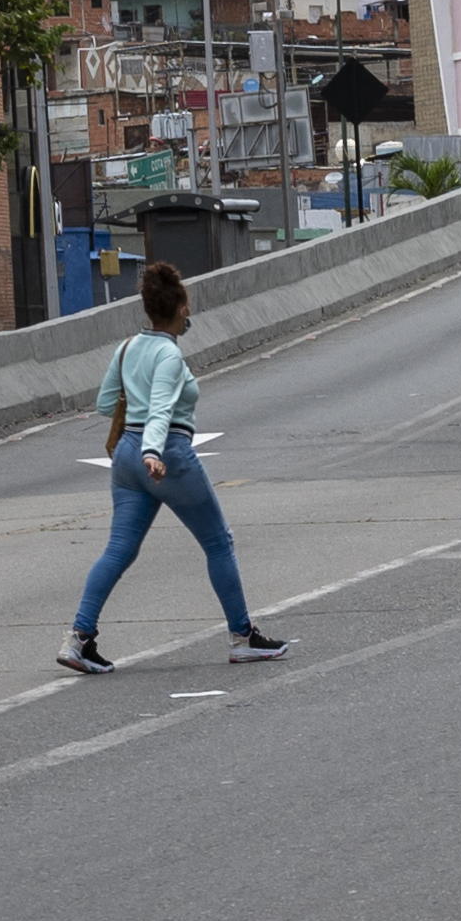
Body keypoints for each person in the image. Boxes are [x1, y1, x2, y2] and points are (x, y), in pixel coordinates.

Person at [56, 262, 291, 675]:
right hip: (164, 455)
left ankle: (78, 639)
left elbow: (104, 404)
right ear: (181, 308)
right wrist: (153, 452)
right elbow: (161, 409)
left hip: (126, 457)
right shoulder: (169, 355)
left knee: (119, 549)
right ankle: (243, 637)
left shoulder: (127, 349)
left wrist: (139, 436)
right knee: (218, 542)